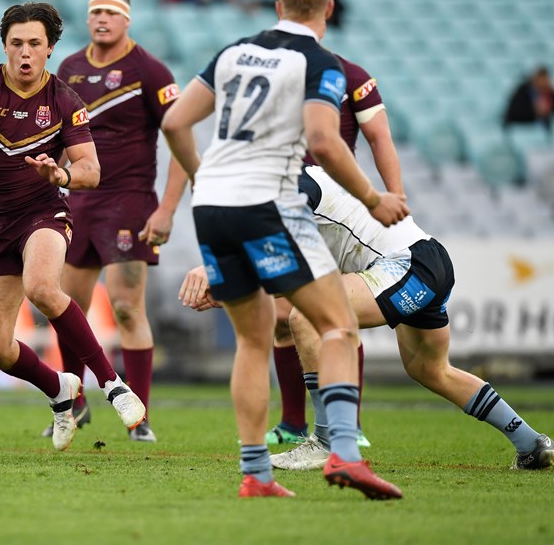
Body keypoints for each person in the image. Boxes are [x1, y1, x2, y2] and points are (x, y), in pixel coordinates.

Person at [160, 0, 408, 498]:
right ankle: (343, 453)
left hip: (214, 206)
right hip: (268, 202)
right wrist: (372, 197)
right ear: (329, 9)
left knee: (252, 339)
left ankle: (256, 474)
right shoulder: (321, 62)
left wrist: (205, 177)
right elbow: (323, 140)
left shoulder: (234, 51)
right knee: (338, 325)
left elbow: (175, 122)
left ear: (277, 6)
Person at [181, 165, 554, 472]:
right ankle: (529, 442)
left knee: (308, 318)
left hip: (405, 264)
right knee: (431, 370)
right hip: (428, 260)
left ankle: (326, 442)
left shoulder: (290, 180)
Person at [0, 2, 146, 452]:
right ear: (4, 46)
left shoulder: (65, 101)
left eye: (34, 44)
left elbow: (91, 170)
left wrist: (60, 176)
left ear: (51, 48)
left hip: (44, 212)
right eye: (16, 43)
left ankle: (112, 384)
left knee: (42, 286)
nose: (25, 53)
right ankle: (60, 391)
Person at [46, 0, 188, 443]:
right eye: (95, 12)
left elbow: (181, 140)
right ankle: (73, 402)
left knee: (127, 307)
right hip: (78, 200)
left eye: (111, 12)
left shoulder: (149, 70)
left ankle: (138, 415)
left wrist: (166, 209)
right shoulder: (69, 68)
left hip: (129, 200)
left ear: (127, 20)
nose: (102, 19)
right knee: (67, 306)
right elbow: (60, 140)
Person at [269, 53, 405, 447]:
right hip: (288, 201)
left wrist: (395, 194)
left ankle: (351, 424)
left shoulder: (353, 76)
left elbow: (379, 136)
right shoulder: (273, 76)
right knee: (282, 317)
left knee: (334, 313)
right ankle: (293, 422)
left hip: (333, 210)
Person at [503, 66, 553, 134]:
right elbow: (513, 113)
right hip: (519, 128)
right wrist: (535, 110)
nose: (542, 83)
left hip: (540, 130)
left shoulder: (549, 93)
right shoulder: (523, 91)